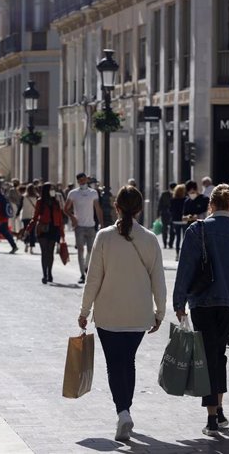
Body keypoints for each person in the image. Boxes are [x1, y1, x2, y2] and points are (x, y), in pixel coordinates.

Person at [77, 186, 166, 442]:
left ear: (116, 207)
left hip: (108, 314)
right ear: (139, 209)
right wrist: (160, 311)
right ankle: (125, 409)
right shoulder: (150, 239)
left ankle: (123, 411)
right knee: (128, 361)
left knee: (115, 365)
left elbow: (93, 279)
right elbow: (158, 280)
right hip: (139, 315)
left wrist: (84, 311)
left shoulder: (104, 237)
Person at [173, 184, 229, 436]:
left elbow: (186, 267)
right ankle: (218, 409)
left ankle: (211, 416)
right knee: (219, 353)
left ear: (211, 205)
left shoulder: (198, 230)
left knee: (208, 355)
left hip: (202, 300)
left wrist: (179, 302)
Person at [65, 173, 104, 284]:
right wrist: (73, 218)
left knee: (91, 250)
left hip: (91, 225)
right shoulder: (73, 193)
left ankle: (86, 267)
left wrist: (102, 224)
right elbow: (66, 209)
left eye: (84, 180)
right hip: (79, 227)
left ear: (87, 180)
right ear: (78, 182)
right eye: (80, 180)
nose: (82, 182)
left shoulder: (93, 193)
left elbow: (98, 209)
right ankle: (82, 274)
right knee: (80, 250)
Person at [25, 183, 65, 283]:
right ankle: (44, 274)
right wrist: (28, 229)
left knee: (50, 252)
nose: (53, 191)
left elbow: (60, 218)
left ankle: (50, 273)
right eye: (51, 189)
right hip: (42, 228)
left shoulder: (56, 202)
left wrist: (62, 233)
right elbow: (35, 217)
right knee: (44, 253)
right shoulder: (40, 202)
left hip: (54, 229)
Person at [169, 184, 187, 261]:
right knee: (185, 238)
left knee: (178, 238)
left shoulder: (173, 200)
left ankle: (177, 255)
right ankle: (184, 255)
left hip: (176, 220)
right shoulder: (186, 200)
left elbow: (170, 210)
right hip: (184, 220)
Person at [20, 184, 39, 254]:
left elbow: (20, 206)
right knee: (32, 232)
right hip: (33, 216)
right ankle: (31, 248)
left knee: (26, 230)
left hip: (25, 216)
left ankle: (26, 244)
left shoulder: (24, 197)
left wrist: (17, 214)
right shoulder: (36, 197)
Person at [157, 183, 176, 249]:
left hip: (173, 215)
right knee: (164, 229)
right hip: (165, 214)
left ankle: (170, 244)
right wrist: (158, 214)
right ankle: (165, 243)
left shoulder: (176, 194)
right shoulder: (164, 194)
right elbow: (160, 204)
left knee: (172, 230)